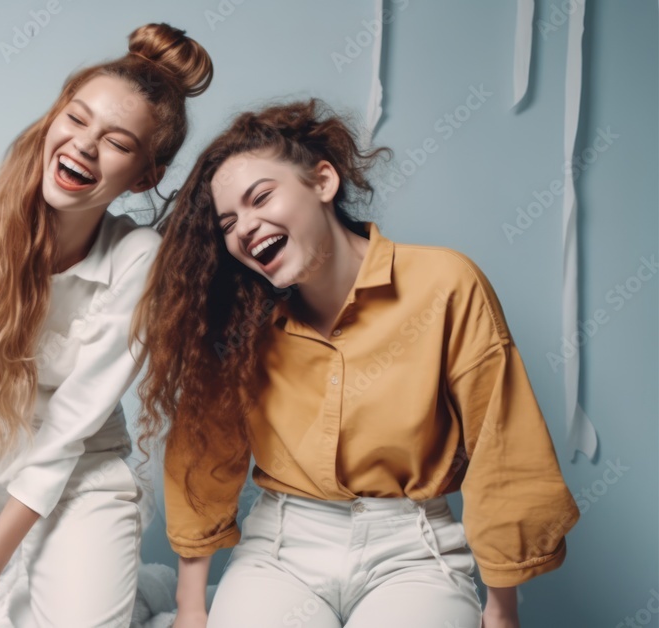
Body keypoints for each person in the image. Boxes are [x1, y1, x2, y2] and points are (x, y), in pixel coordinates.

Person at [131, 99, 580, 628]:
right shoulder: (239, 319)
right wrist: (190, 609)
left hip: (413, 552)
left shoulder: (445, 284)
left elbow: (504, 445)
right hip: (279, 549)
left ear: (323, 181)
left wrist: (501, 612)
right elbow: (203, 460)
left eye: (262, 198)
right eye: (228, 222)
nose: (246, 227)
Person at [0, 23, 213, 627]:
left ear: (145, 175)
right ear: (53, 120)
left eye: (116, 141)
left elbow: (69, 430)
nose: (84, 145)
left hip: (83, 468)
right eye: (76, 119)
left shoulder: (138, 261)